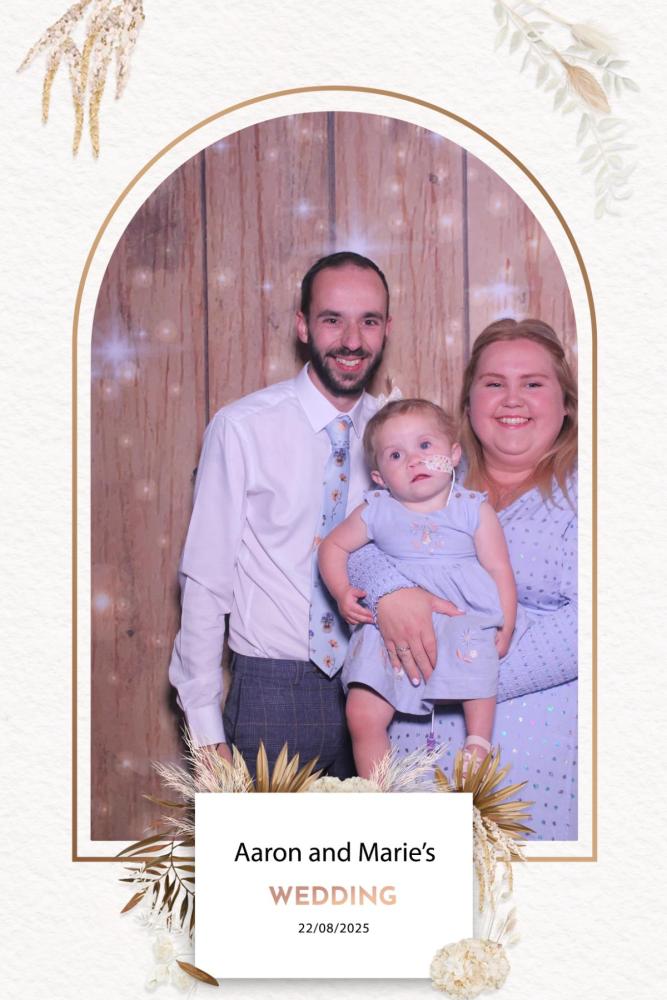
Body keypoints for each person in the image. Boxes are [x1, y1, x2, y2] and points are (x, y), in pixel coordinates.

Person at [168, 251, 458, 774]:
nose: (352, 340)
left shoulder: (404, 439)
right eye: (332, 320)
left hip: (385, 684)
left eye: (368, 321)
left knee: (393, 830)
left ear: (387, 329)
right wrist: (205, 731)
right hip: (274, 693)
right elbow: (206, 581)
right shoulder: (242, 428)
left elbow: (438, 547)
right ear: (303, 325)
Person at [350, 318, 578, 839]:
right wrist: (392, 593)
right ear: (469, 404)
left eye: (533, 383)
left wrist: (447, 667)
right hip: (412, 750)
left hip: (530, 760)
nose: (512, 399)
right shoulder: (427, 477)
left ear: (565, 403)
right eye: (494, 383)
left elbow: (596, 627)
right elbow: (355, 546)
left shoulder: (593, 492)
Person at [318, 398, 517, 778]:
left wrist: (507, 622)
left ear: (453, 455)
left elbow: (499, 568)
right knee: (361, 711)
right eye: (396, 455)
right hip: (390, 628)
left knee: (480, 667)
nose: (414, 460)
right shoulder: (377, 509)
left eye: (425, 446)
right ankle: (378, 788)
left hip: (461, 613)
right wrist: (342, 591)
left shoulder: (473, 508)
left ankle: (477, 743)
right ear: (379, 477)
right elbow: (333, 547)